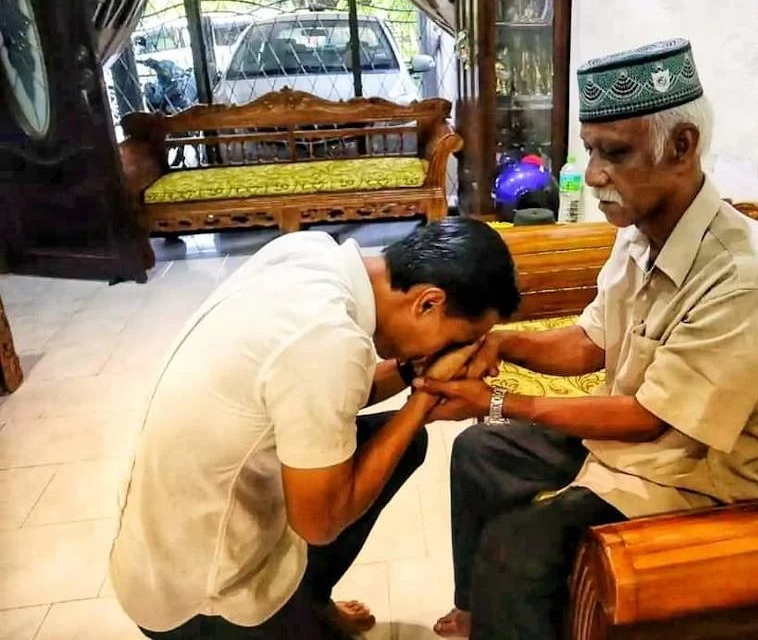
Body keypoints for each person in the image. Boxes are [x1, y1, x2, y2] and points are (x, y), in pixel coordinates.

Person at [425, 39, 758, 640]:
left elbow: (651, 420)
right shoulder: (640, 230)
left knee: (516, 547)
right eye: (590, 151)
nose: (595, 174)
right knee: (481, 455)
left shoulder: (747, 276)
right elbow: (589, 342)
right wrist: (503, 344)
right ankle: (480, 614)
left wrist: (497, 401)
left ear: (682, 148)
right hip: (622, 447)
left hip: (691, 481)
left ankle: (505, 609)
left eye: (615, 153)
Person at [108, 219, 521, 639]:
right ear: (428, 303)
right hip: (202, 596)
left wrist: (414, 369)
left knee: (405, 442)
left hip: (157, 542)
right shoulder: (328, 341)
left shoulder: (310, 253)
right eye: (460, 338)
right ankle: (291, 607)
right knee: (387, 449)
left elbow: (327, 392)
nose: (454, 350)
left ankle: (311, 595)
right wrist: (426, 396)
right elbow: (319, 524)